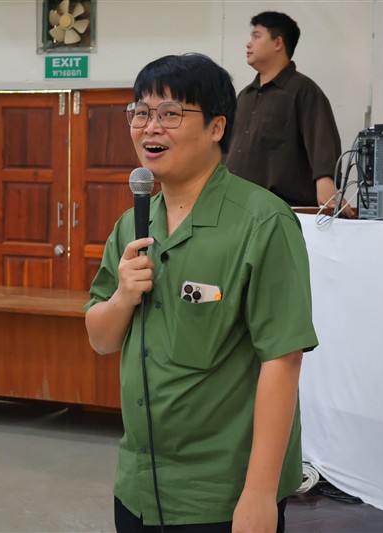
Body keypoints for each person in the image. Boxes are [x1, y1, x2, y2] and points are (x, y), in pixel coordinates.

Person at [85, 54, 318, 532]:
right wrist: (122, 297)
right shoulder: (131, 224)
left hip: (220, 496)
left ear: (216, 127)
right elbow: (101, 339)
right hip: (138, 489)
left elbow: (282, 360)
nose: (150, 127)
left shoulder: (262, 222)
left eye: (170, 113)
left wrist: (259, 495)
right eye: (141, 112)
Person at [225, 11, 355, 217]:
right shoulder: (244, 96)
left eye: (256, 36)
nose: (248, 44)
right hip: (236, 204)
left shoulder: (303, 90)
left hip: (282, 208)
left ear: (278, 43)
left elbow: (321, 139)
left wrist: (325, 180)